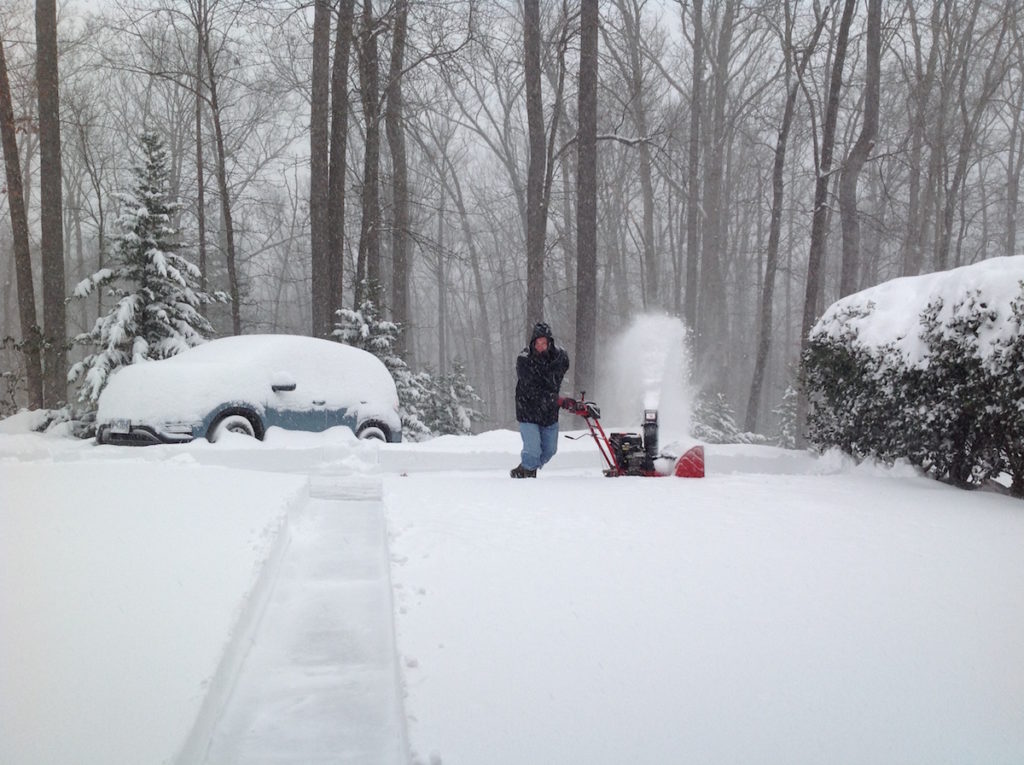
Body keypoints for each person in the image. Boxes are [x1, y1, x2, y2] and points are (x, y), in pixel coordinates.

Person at [511, 321, 570, 478]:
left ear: (550, 343)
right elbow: (532, 388)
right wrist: (556, 399)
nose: (541, 346)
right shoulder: (524, 360)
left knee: (550, 450)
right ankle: (528, 476)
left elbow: (563, 367)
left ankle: (525, 467)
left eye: (544, 343)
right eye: (538, 343)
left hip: (549, 413)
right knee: (533, 450)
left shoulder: (559, 358)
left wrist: (560, 401)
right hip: (528, 410)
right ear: (533, 343)